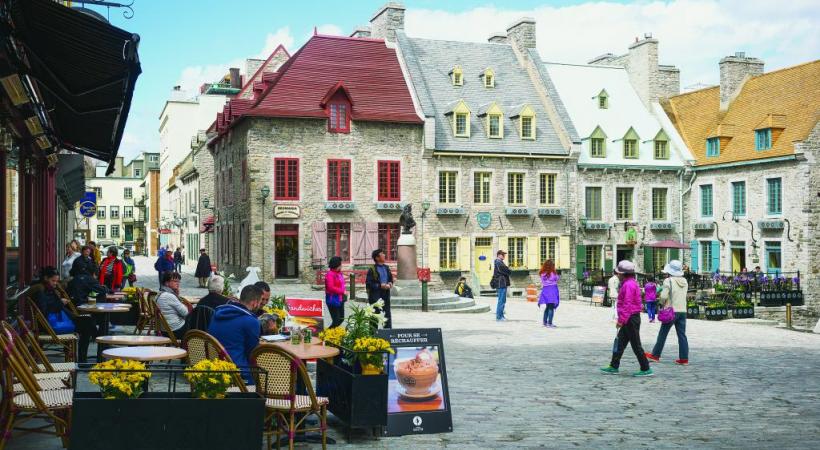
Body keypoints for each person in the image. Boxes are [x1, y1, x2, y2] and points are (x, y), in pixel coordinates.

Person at [30, 267, 98, 363]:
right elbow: (44, 311)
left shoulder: (48, 289)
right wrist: (61, 303)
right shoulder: (41, 291)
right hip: (50, 325)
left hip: (58, 321)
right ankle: (84, 358)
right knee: (87, 324)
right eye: (53, 280)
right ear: (46, 278)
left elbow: (54, 307)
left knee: (89, 321)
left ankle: (87, 355)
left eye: (56, 281)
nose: (55, 283)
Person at [601, 261, 653, 377]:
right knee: (620, 342)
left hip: (631, 318)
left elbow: (627, 304)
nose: (617, 275)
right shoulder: (629, 283)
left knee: (636, 344)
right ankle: (614, 365)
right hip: (629, 317)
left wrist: (621, 320)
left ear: (623, 274)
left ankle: (645, 368)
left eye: (619, 273)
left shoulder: (629, 285)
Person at [208, 285, 264, 384]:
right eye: (260, 303)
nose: (259, 306)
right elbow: (253, 353)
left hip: (215, 367)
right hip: (238, 372)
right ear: (254, 302)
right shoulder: (251, 320)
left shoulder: (217, 313)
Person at [646, 260, 690, 365]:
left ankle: (655, 355)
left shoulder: (668, 281)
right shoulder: (685, 281)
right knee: (682, 335)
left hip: (671, 310)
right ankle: (684, 358)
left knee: (663, 333)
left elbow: (664, 296)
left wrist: (661, 303)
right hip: (682, 310)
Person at [156, 271, 190, 341]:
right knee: (199, 321)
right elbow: (185, 312)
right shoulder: (169, 296)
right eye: (175, 281)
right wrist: (178, 297)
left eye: (178, 281)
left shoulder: (161, 293)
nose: (178, 283)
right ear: (167, 283)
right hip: (175, 330)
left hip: (166, 329)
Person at [365, 249, 393, 328]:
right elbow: (369, 283)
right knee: (374, 316)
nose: (384, 255)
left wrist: (390, 283)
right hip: (375, 295)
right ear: (377, 258)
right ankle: (373, 335)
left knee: (387, 314)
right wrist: (380, 286)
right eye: (382, 254)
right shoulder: (372, 269)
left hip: (386, 294)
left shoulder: (386, 268)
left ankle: (388, 333)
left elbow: (390, 279)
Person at [325, 256, 346, 328]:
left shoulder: (339, 273)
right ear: (337, 265)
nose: (341, 265)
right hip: (332, 299)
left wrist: (344, 291)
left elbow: (342, 284)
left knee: (341, 319)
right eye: (340, 264)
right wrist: (342, 291)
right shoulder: (330, 274)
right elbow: (331, 287)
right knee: (336, 320)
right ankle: (327, 334)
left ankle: (333, 335)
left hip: (340, 299)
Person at [538, 259, 560, 328]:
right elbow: (557, 278)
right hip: (552, 290)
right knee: (551, 307)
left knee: (547, 307)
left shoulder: (542, 273)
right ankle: (550, 323)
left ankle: (544, 322)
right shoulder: (553, 273)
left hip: (545, 290)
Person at [491, 250, 511, 322]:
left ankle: (501, 315)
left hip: (503, 283)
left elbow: (507, 271)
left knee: (503, 300)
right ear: (499, 255)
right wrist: (508, 269)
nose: (504, 256)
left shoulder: (500, 262)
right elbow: (506, 271)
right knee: (501, 301)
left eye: (504, 254)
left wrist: (507, 269)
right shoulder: (498, 262)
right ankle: (499, 317)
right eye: (502, 254)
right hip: (501, 283)